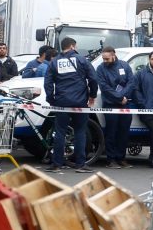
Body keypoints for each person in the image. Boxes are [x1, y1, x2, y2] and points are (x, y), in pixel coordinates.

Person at [43, 37, 98, 173]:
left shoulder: (54, 62)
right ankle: (80, 164)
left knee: (60, 132)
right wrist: (92, 95)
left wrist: (51, 100)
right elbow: (93, 78)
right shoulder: (82, 60)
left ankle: (57, 164)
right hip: (80, 102)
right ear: (73, 46)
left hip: (61, 102)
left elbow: (48, 83)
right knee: (80, 132)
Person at [96, 46, 135, 169]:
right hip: (110, 104)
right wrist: (119, 97)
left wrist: (123, 97)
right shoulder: (100, 69)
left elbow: (131, 83)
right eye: (103, 58)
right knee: (111, 132)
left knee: (123, 132)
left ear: (113, 55)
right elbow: (104, 87)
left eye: (107, 58)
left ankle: (121, 158)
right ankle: (111, 159)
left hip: (125, 104)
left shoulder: (124, 65)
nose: (105, 61)